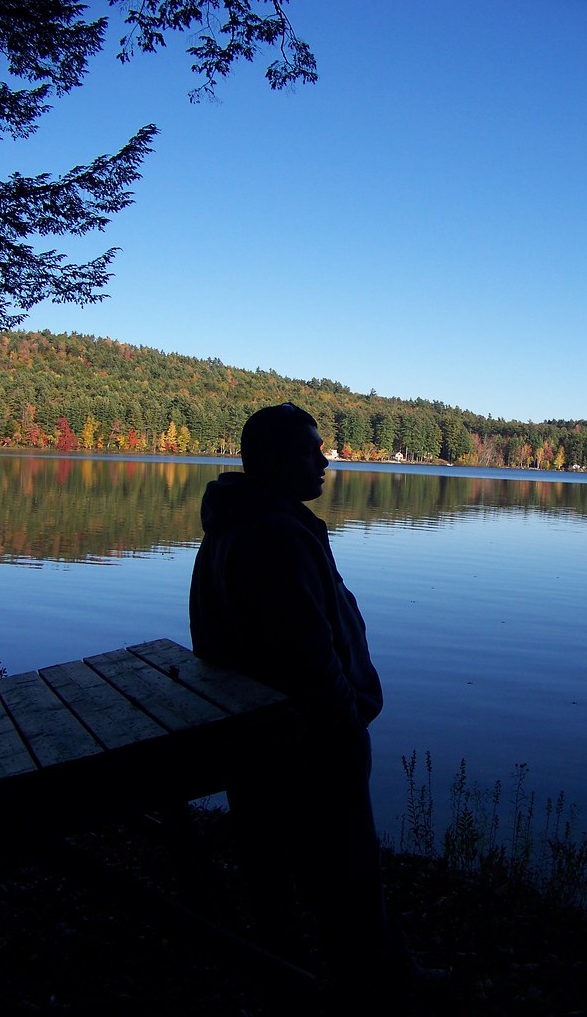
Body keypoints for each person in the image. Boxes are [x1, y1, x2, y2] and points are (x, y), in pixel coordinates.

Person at [189, 403, 403, 993]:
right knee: (348, 881)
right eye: (311, 450)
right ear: (276, 459)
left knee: (275, 872)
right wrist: (346, 732)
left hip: (262, 739)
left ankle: (287, 971)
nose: (325, 462)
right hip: (304, 745)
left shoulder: (245, 522)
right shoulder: (274, 536)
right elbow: (306, 657)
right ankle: (367, 989)